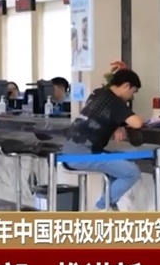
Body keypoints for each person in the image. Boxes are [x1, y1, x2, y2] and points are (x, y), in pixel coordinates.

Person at [60, 69, 149, 210]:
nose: (131, 97)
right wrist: (153, 119)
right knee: (132, 172)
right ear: (126, 85)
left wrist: (117, 125)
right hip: (84, 155)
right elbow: (137, 123)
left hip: (70, 152)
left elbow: (100, 116)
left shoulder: (98, 93)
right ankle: (101, 209)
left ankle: (109, 205)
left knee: (122, 163)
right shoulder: (115, 102)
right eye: (133, 92)